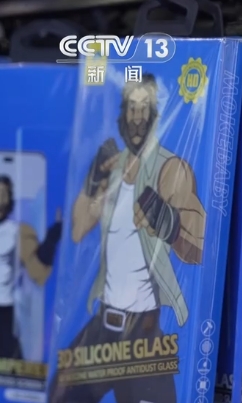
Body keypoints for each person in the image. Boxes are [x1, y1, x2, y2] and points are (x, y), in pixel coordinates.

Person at [49, 73, 206, 403]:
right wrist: (93, 182)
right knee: (60, 394)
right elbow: (78, 229)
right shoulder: (112, 167)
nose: (137, 117)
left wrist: (171, 224)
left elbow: (200, 248)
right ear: (122, 115)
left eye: (144, 108)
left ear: (155, 115)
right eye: (131, 108)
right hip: (103, 328)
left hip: (143, 336)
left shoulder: (170, 169)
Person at [0, 175, 61, 360]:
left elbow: (37, 269)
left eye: (2, 194)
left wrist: (52, 237)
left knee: (10, 363)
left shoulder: (17, 232)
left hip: (4, 312)